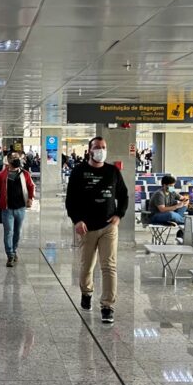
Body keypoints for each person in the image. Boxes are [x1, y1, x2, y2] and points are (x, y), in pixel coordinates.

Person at [65, 136, 129, 324]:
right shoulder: (79, 171)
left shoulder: (113, 172)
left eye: (104, 147)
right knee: (87, 265)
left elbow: (124, 195)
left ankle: (107, 306)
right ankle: (87, 291)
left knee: (109, 266)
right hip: (87, 227)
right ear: (90, 150)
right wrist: (76, 220)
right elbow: (71, 200)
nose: (101, 150)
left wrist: (119, 214)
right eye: (97, 147)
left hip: (109, 226)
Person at [0, 152, 35, 267]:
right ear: (9, 161)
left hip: (20, 208)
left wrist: (30, 198)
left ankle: (14, 250)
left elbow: (31, 186)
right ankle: (10, 255)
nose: (17, 160)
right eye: (14, 158)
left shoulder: (25, 174)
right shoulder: (2, 175)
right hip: (6, 209)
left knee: (17, 232)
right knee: (9, 232)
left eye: (18, 158)